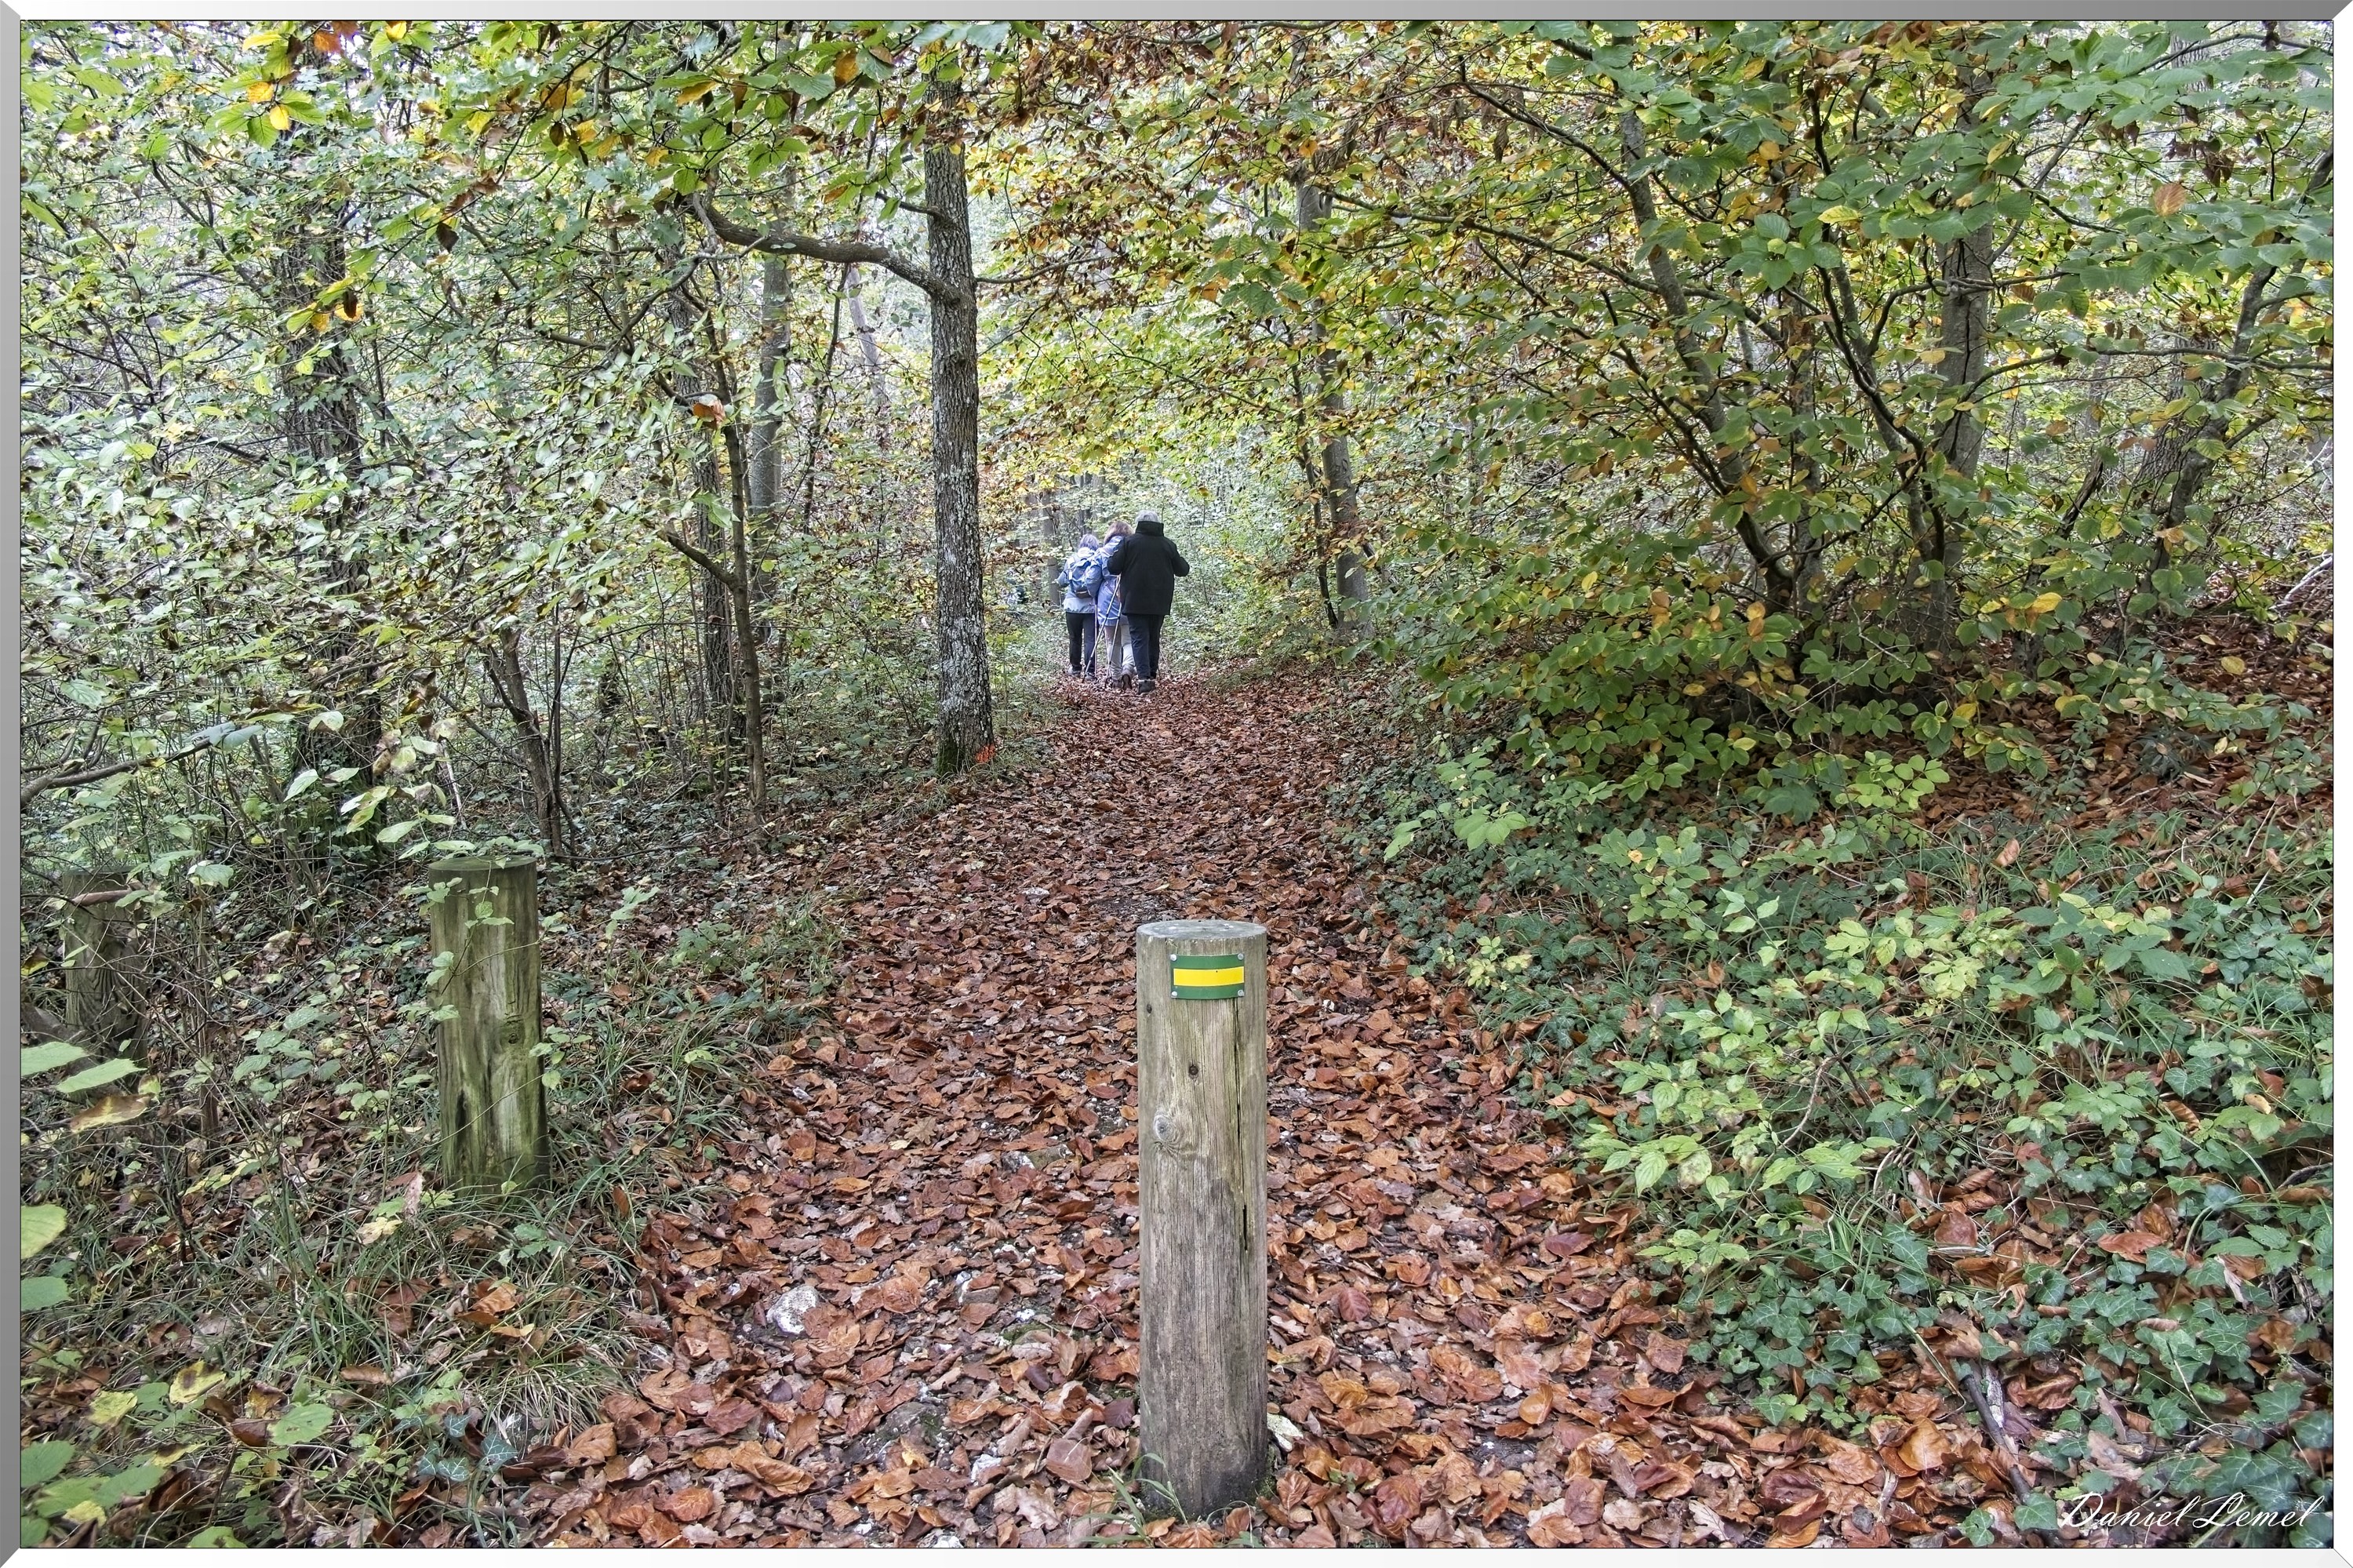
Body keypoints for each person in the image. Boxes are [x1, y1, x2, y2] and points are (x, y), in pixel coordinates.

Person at [1104, 511, 1188, 694]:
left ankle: (1144, 680)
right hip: (1160, 601)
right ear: (1158, 524)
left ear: (1138, 524)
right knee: (1153, 637)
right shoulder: (1168, 545)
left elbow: (1113, 566)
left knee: (1139, 638)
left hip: (1134, 600)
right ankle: (1150, 675)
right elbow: (1183, 570)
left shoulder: (1129, 543)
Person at [1056, 533, 1104, 678]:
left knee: (1074, 638)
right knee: (1090, 639)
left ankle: (1076, 669)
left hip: (1072, 606)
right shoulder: (1097, 559)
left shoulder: (1071, 560)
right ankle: (1090, 672)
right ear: (1095, 546)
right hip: (1091, 606)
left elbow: (1062, 581)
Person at [1096, 522, 1130, 687]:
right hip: (1129, 596)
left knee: (1112, 641)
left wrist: (1095, 593)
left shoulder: (1101, 552)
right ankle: (1128, 670)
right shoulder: (1132, 550)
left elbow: (1092, 579)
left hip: (1107, 598)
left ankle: (1115, 678)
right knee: (1129, 641)